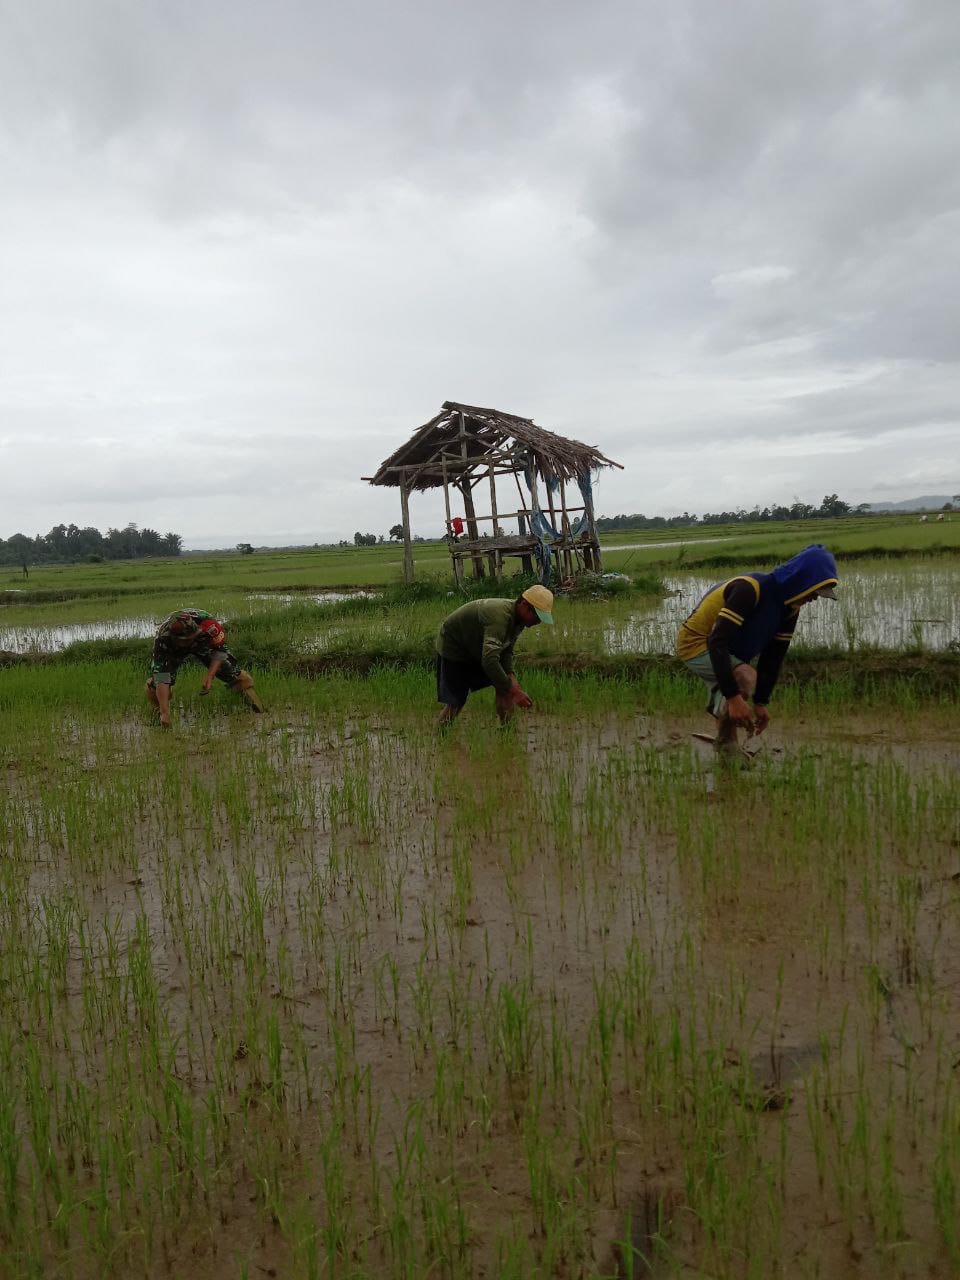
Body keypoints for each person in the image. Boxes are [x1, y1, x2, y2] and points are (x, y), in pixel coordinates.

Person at [677, 544, 838, 754]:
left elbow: (773, 657)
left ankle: (726, 743)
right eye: (815, 591)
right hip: (696, 643)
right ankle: (728, 746)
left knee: (738, 688)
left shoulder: (790, 609)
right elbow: (718, 642)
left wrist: (761, 701)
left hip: (728, 650)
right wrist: (734, 698)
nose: (815, 598)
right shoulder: (749, 589)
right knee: (743, 679)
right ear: (801, 581)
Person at [435, 585, 554, 725]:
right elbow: (490, 660)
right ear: (524, 605)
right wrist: (514, 691)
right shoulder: (499, 617)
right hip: (454, 646)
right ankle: (440, 735)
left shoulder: (519, 620)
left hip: (477, 646)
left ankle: (507, 731)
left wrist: (510, 676)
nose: (537, 622)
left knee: (504, 687)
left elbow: (506, 650)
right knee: (456, 701)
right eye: (537, 617)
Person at [146, 609, 264, 728]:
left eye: (189, 639)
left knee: (229, 668)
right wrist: (164, 712)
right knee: (156, 684)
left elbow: (219, 650)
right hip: (173, 648)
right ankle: (160, 716)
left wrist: (210, 675)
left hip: (201, 642)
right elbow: (162, 677)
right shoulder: (162, 641)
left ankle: (255, 704)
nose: (187, 643)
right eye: (184, 641)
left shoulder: (209, 625)